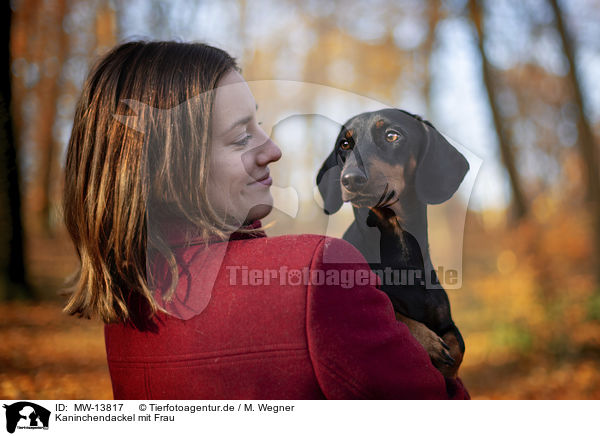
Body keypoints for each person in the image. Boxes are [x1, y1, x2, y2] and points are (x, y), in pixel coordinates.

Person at [62, 40, 469, 400]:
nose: (273, 148)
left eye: (260, 124)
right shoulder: (318, 271)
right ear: (171, 166)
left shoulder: (126, 301)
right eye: (242, 136)